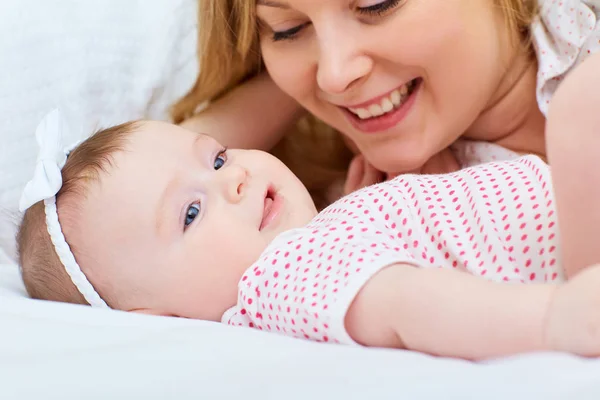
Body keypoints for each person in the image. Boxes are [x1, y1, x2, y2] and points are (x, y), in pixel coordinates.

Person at [15, 109, 600, 360]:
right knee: (581, 108)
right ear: (161, 320)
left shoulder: (306, 249)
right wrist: (553, 317)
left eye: (217, 160)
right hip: (568, 258)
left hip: (564, 232)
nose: (237, 179)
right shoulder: (282, 274)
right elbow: (407, 304)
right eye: (191, 213)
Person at [175, 0, 600, 276]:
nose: (335, 73)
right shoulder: (363, 216)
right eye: (287, 29)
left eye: (375, 4)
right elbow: (153, 180)